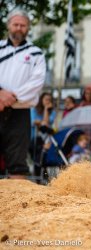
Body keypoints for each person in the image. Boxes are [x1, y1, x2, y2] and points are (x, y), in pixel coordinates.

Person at [0, 9, 46, 178]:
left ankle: (17, 204)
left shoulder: (36, 53)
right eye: (15, 24)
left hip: (20, 113)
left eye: (23, 25)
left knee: (17, 162)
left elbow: (37, 82)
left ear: (28, 28)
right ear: (8, 26)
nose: (19, 28)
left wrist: (10, 98)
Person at [30, 92, 56, 176]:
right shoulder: (34, 109)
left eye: (49, 100)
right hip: (34, 138)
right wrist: (42, 123)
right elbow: (34, 121)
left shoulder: (52, 112)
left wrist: (46, 110)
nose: (48, 101)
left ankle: (43, 177)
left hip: (46, 139)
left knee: (42, 159)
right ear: (41, 100)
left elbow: (46, 122)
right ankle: (39, 178)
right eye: (46, 99)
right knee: (36, 159)